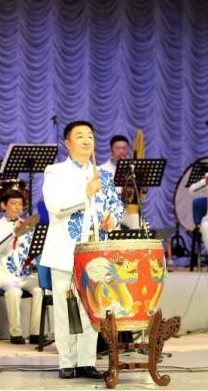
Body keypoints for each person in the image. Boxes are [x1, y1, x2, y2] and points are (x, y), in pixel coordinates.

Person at [40, 120, 123, 379]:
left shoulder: (104, 175)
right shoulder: (56, 171)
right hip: (65, 250)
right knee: (66, 308)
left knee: (92, 307)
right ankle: (67, 361)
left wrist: (112, 219)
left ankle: (87, 361)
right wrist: (86, 193)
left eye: (90, 136)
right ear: (67, 143)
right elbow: (54, 206)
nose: (87, 141)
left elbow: (116, 205)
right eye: (80, 136)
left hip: (95, 251)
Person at [0, 188, 43, 344]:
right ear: (4, 205)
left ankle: (36, 333)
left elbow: (32, 251)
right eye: (13, 203)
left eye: (20, 204)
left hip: (24, 275)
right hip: (4, 275)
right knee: (14, 290)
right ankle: (16, 334)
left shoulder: (27, 225)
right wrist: (15, 232)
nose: (18, 207)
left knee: (41, 289)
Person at [99, 135, 141, 229]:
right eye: (118, 148)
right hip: (109, 210)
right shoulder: (101, 169)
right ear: (111, 150)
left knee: (136, 219)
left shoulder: (132, 169)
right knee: (113, 226)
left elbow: (139, 197)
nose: (121, 151)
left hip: (127, 210)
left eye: (124, 148)